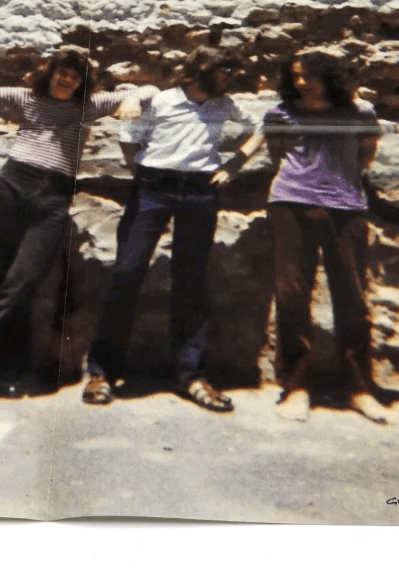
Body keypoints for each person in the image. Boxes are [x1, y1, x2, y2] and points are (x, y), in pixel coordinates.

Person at [0, 48, 147, 399]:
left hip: (53, 197)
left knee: (22, 281)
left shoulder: (88, 106)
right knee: (3, 280)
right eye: (62, 72)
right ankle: (5, 370)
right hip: (12, 186)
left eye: (75, 76)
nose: (67, 79)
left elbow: (149, 92)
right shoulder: (26, 98)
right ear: (50, 72)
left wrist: (133, 98)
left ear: (82, 82)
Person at [83, 46, 264, 412]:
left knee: (191, 279)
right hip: (153, 188)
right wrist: (141, 175)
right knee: (127, 271)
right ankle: (102, 373)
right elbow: (128, 135)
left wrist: (235, 164)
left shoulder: (224, 105)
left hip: (200, 190)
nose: (230, 78)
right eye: (224, 70)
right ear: (201, 70)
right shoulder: (162, 101)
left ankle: (192, 375)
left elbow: (262, 126)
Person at [262, 48, 389, 424]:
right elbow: (277, 155)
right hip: (290, 204)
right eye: (296, 75)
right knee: (292, 296)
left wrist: (336, 180)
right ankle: (296, 387)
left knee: (352, 298)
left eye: (310, 75)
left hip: (346, 207)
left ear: (330, 76)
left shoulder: (360, 112)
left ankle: (360, 389)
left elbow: (367, 155)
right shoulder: (281, 113)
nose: (302, 82)